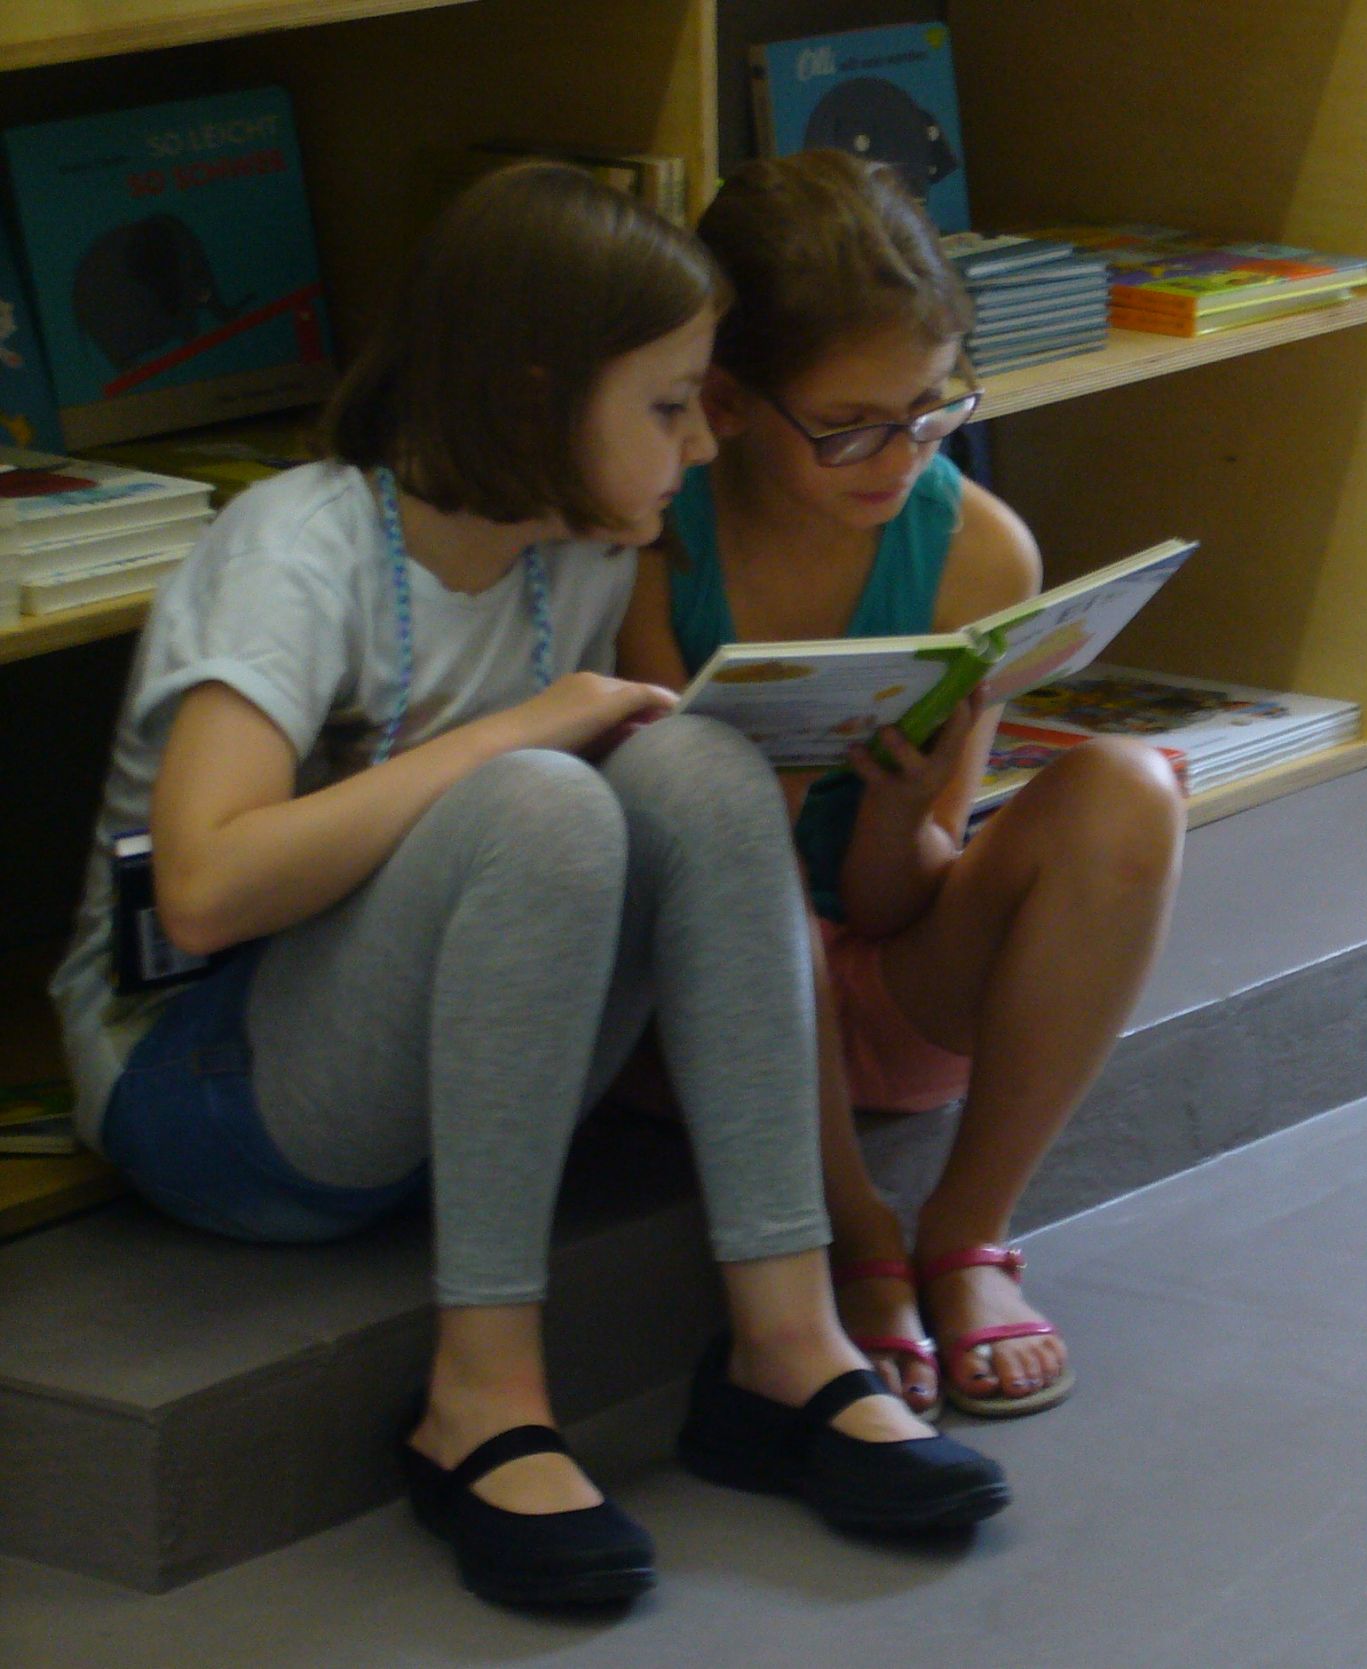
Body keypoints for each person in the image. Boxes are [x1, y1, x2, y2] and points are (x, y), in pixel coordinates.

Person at [49, 163, 1005, 1611]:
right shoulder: (298, 546)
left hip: (434, 1087)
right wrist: (524, 731)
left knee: (700, 764)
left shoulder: (587, 553)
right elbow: (199, 890)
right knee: (544, 792)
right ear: (535, 397)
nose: (702, 444)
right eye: (668, 407)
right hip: (211, 1084)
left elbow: (656, 823)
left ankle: (787, 1343)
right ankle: (479, 1398)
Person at [618, 150, 1185, 1421]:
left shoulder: (973, 548)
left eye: (932, 407)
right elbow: (659, 868)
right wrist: (750, 809)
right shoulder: (657, 537)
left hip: (885, 982)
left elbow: (896, 900)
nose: (900, 455)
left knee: (1131, 787)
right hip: (698, 1008)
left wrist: (890, 808)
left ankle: (969, 1229)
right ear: (729, 400)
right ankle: (856, 1232)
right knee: (731, 838)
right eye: (851, 426)